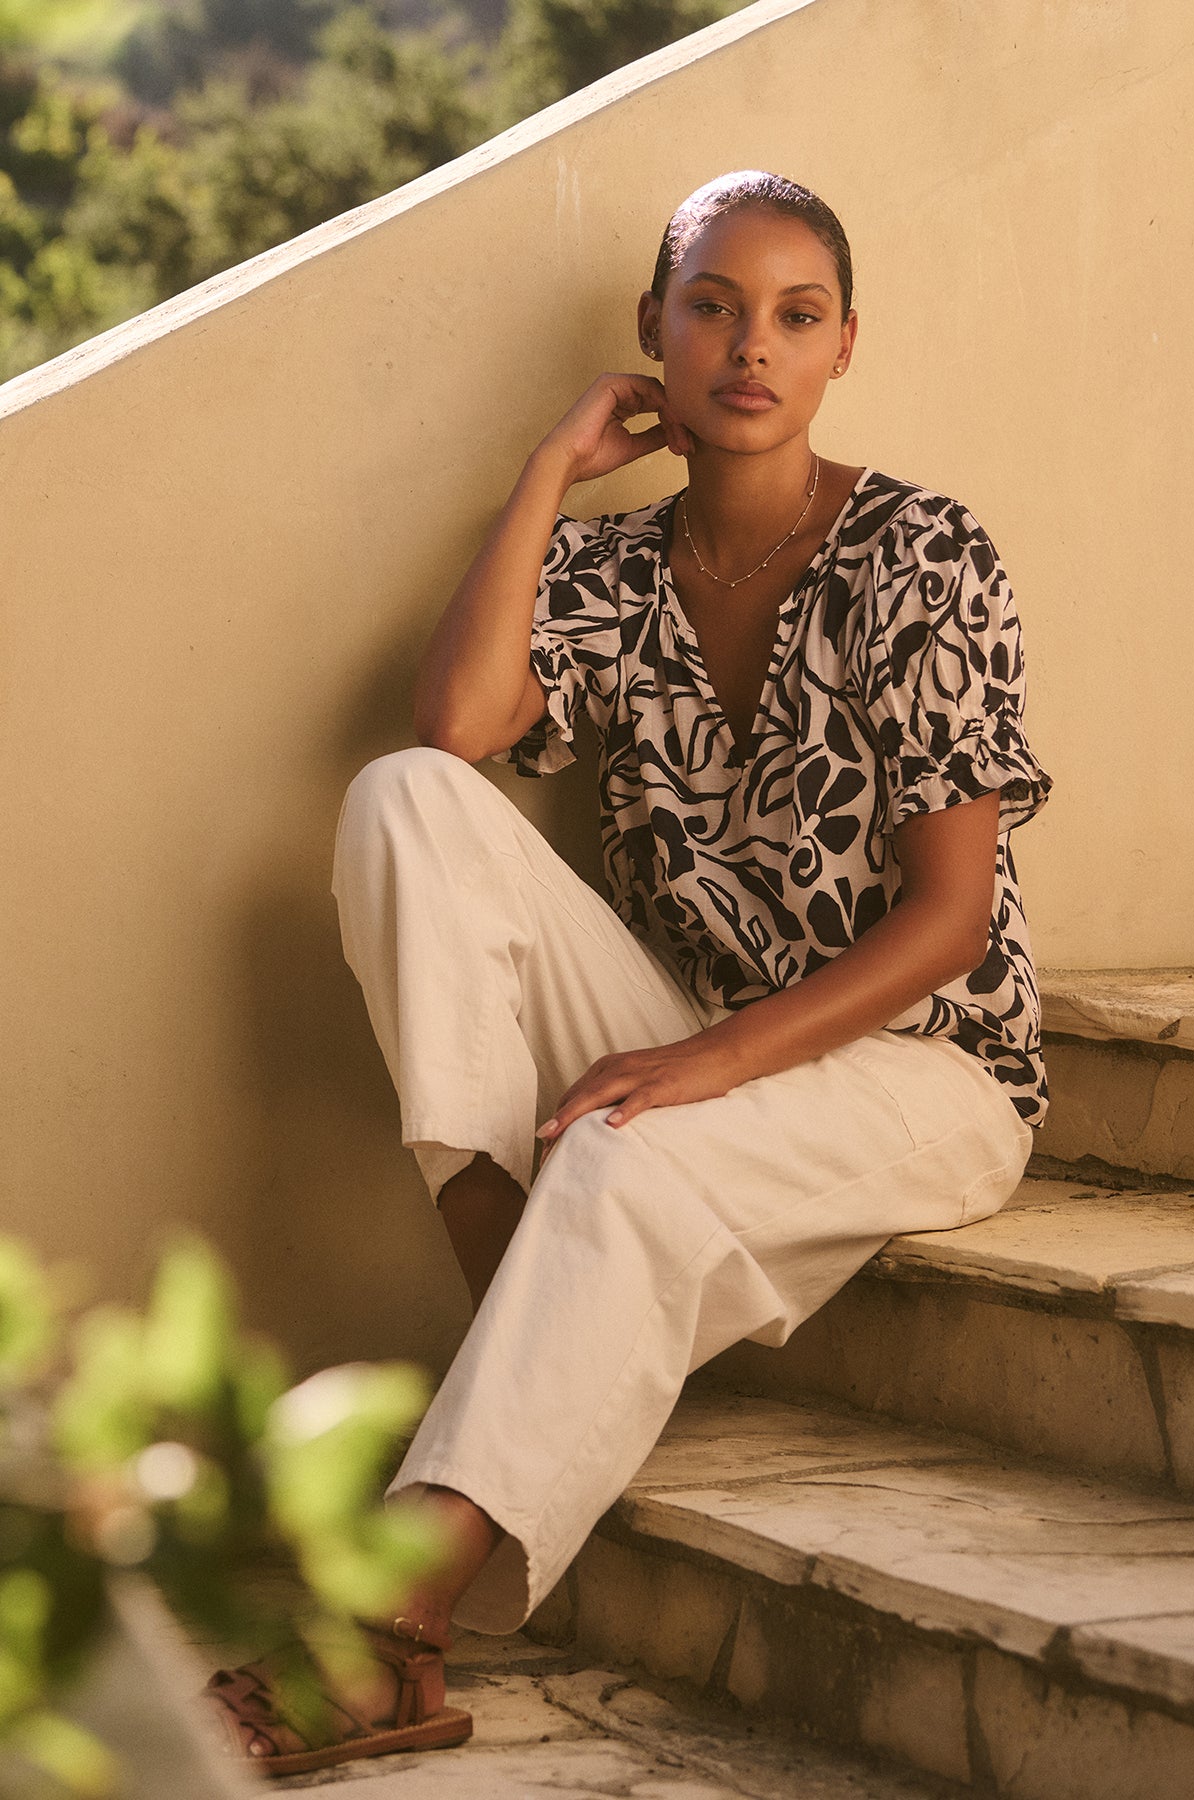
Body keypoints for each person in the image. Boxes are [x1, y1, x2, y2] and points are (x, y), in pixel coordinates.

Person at [206, 170, 1051, 1775]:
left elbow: (947, 923)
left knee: (623, 1143)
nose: (753, 345)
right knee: (405, 801)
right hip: (698, 1027)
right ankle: (553, 1304)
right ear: (653, 336)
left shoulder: (926, 553)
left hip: (927, 1063)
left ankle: (391, 1632)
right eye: (713, 305)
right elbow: (456, 734)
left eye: (797, 315)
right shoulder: (612, 568)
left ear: (845, 347)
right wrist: (544, 473)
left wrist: (700, 1072)